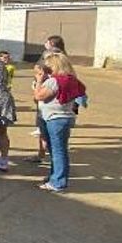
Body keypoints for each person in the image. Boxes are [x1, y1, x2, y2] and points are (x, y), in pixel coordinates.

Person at [33, 52, 84, 192]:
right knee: (59, 150)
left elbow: (38, 96)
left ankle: (58, 181)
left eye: (48, 66)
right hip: (65, 116)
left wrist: (39, 80)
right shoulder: (72, 79)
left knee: (57, 151)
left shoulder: (55, 81)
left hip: (55, 118)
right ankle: (55, 177)